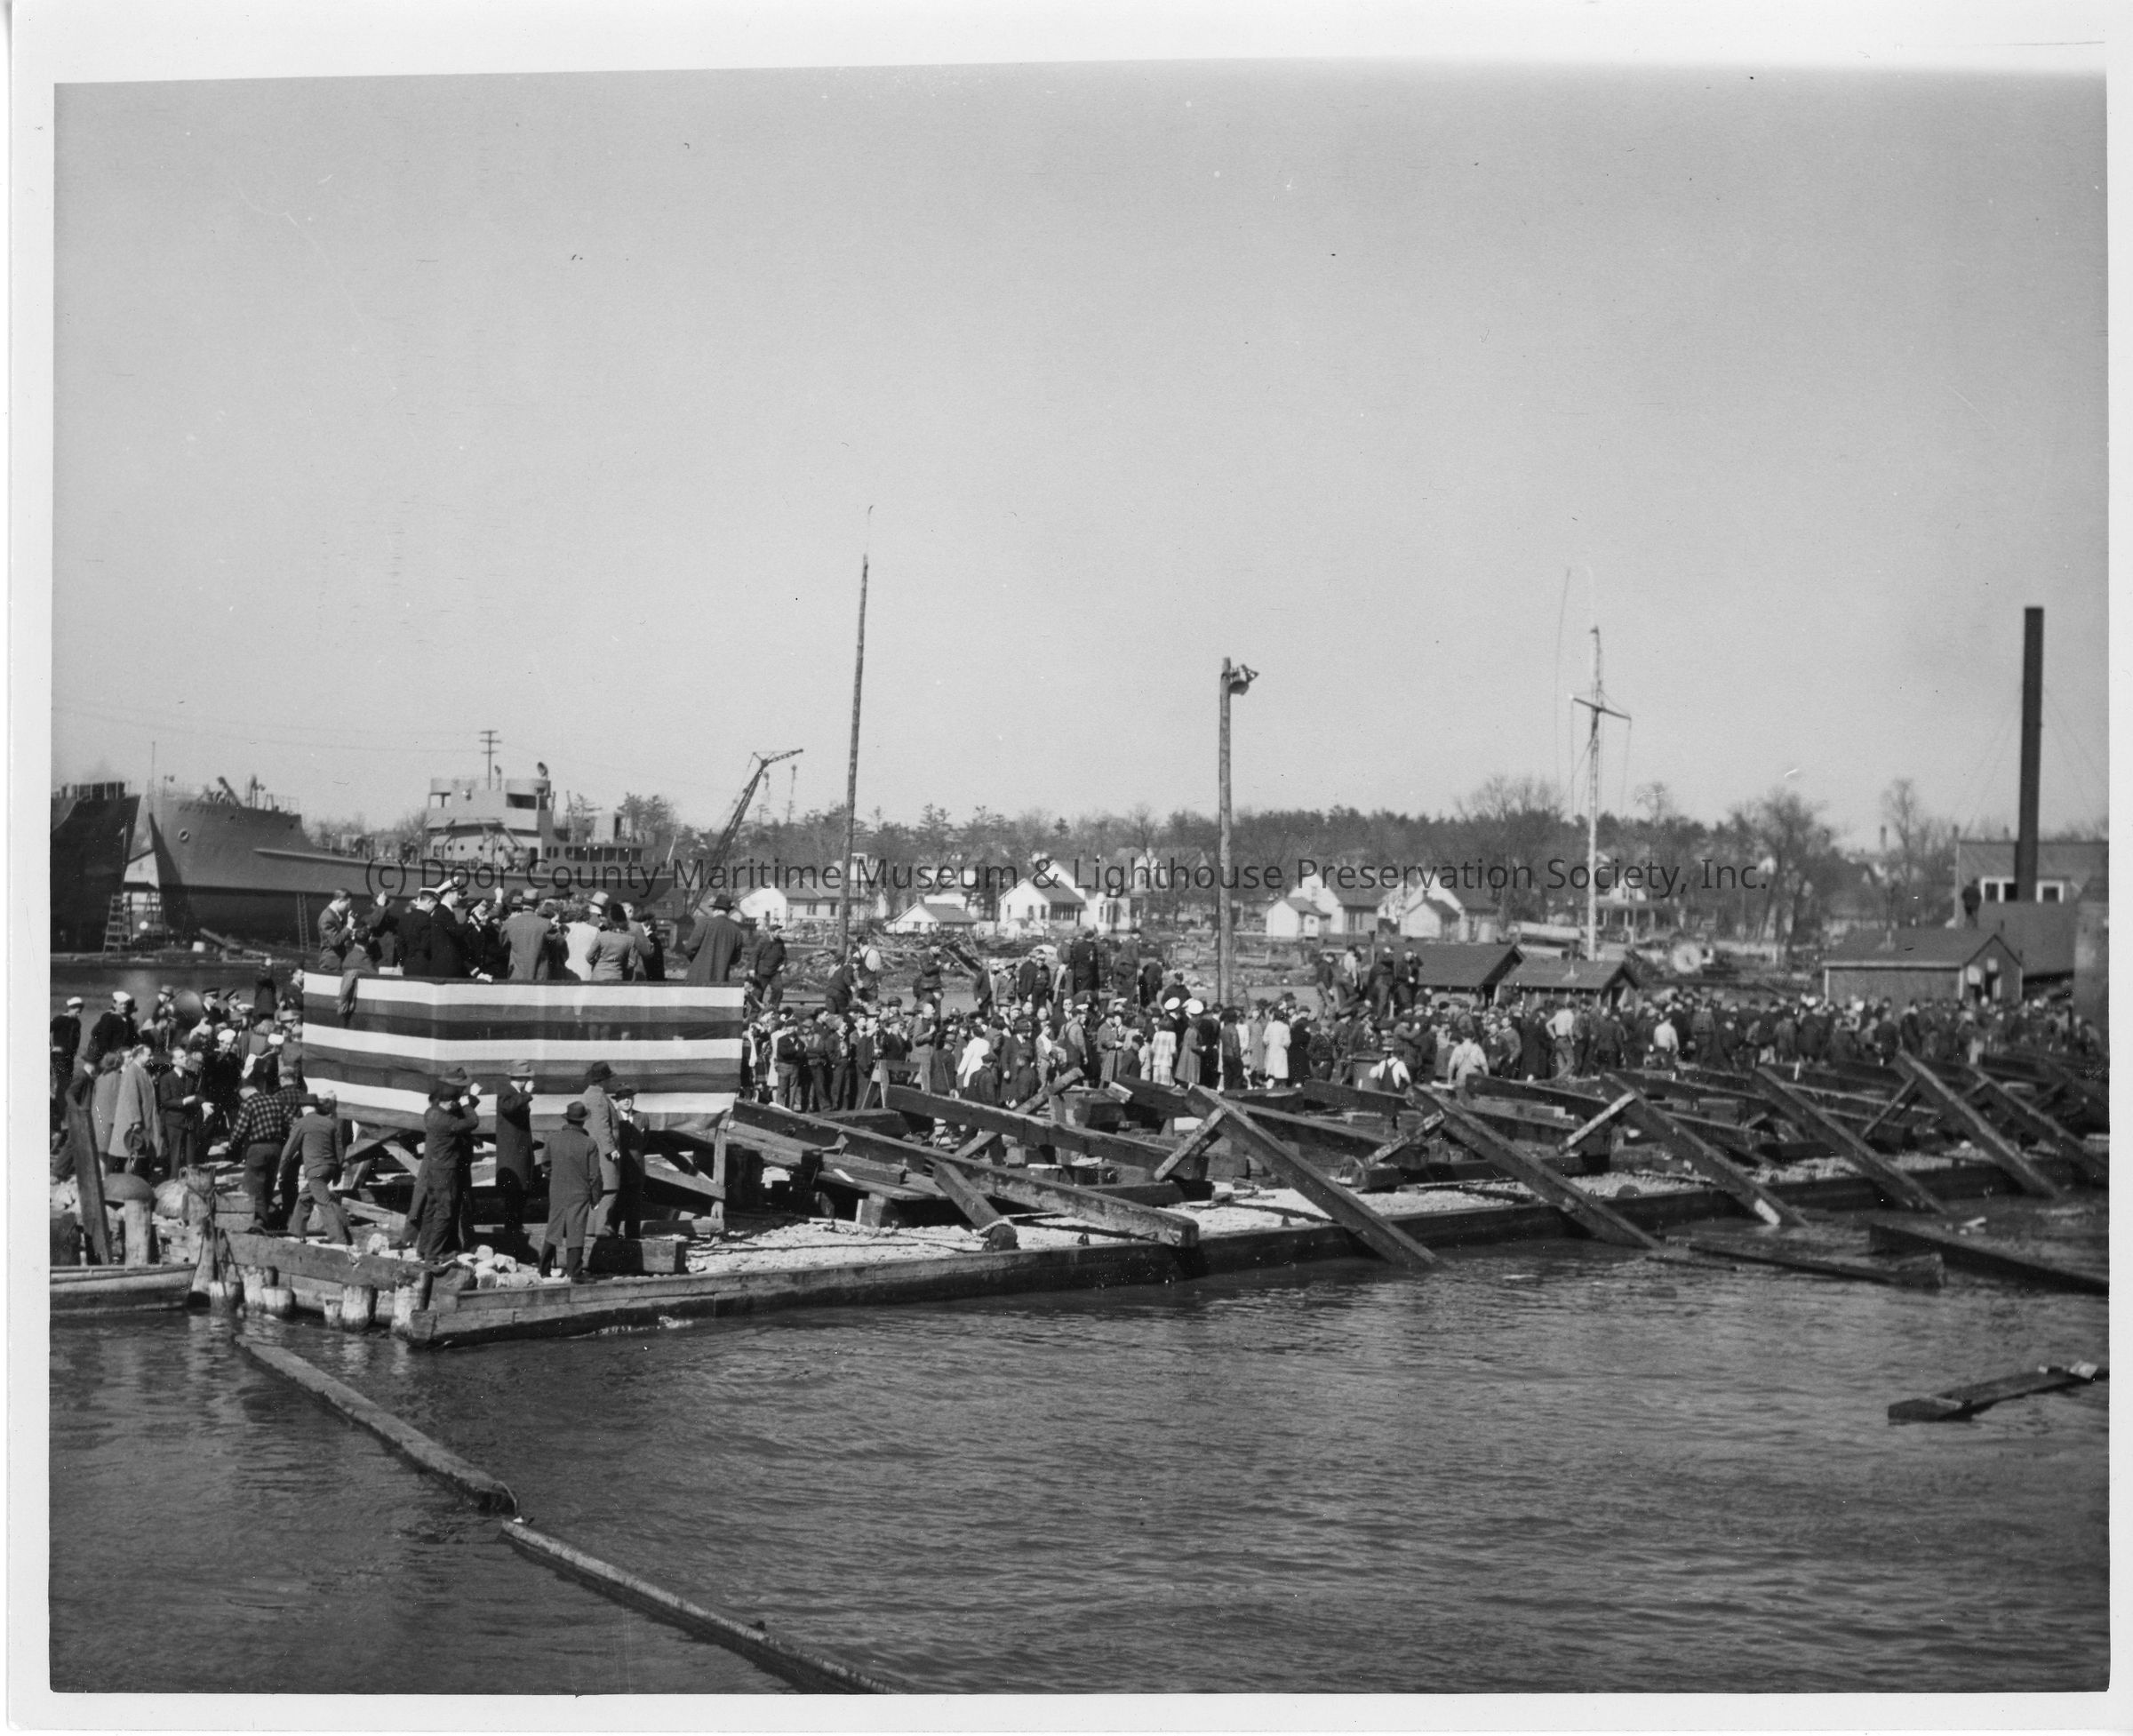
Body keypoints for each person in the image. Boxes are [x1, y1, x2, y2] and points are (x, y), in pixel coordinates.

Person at [407, 1077, 480, 1261]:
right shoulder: (447, 1121)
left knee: (431, 1210)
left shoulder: (431, 1113)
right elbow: (472, 1121)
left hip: (433, 1170)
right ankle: (435, 1252)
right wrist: (467, 1104)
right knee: (445, 1212)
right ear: (450, 1102)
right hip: (446, 1171)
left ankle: (423, 1249)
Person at [228, 1074, 305, 1229]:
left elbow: (239, 1131)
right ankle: (266, 1219)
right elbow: (293, 1123)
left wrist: (232, 1146)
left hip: (257, 1149)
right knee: (269, 1184)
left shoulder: (249, 1104)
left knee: (253, 1186)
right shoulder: (276, 1101)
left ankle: (259, 1222)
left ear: (244, 1091)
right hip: (276, 1148)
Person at [539, 1101, 602, 1284]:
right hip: (579, 1192)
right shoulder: (589, 1143)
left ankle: (543, 1270)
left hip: (557, 1189)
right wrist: (595, 1198)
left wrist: (556, 1178)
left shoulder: (552, 1139)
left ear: (567, 1119)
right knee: (576, 1229)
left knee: (554, 1226)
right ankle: (575, 1273)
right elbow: (594, 1176)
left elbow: (545, 1165)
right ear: (583, 1121)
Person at [280, 1093, 350, 1244]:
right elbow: (339, 1150)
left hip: (315, 1169)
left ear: (302, 1108)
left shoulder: (302, 1123)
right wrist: (338, 1172)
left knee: (324, 1203)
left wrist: (281, 1170)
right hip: (330, 1168)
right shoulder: (329, 1123)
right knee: (304, 1198)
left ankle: (339, 1240)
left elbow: (288, 1151)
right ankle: (296, 1233)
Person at [492, 1060, 540, 1259]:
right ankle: (512, 1230)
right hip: (512, 1152)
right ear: (520, 1078)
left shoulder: (514, 1093)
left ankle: (515, 1227)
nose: (529, 1081)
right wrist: (526, 1094)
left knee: (521, 1190)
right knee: (514, 1191)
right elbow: (508, 1108)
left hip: (519, 1150)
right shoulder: (507, 1092)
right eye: (526, 1078)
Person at [107, 1044, 164, 1176]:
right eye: (149, 1055)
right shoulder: (132, 1072)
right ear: (139, 1055)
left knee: (137, 1154)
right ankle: (124, 1180)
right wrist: (135, 1121)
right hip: (133, 1124)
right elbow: (131, 1098)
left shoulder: (142, 1071)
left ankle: (134, 1179)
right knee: (130, 1154)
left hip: (143, 1120)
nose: (152, 1057)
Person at [681, 894, 747, 984]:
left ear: (716, 910)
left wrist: (696, 959)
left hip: (697, 977)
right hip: (720, 980)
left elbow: (689, 949)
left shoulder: (704, 923)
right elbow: (735, 959)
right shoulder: (736, 931)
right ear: (728, 911)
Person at [500, 893, 555, 981]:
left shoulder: (509, 923)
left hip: (516, 976)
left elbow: (502, 943)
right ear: (537, 905)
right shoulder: (546, 924)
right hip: (539, 977)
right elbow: (559, 945)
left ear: (522, 904)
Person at [749, 920, 788, 1009]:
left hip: (775, 971)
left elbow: (784, 956)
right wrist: (753, 969)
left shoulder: (780, 942)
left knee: (779, 989)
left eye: (780, 932)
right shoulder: (763, 941)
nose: (779, 934)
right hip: (762, 971)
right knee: (758, 993)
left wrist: (783, 964)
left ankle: (773, 1007)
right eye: (778, 932)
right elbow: (755, 954)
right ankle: (755, 1010)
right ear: (771, 932)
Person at [317, 889, 357, 970]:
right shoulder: (327, 917)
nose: (349, 908)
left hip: (337, 961)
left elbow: (339, 934)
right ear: (340, 901)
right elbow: (335, 941)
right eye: (347, 904)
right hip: (331, 963)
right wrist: (349, 926)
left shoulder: (335, 915)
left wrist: (350, 933)